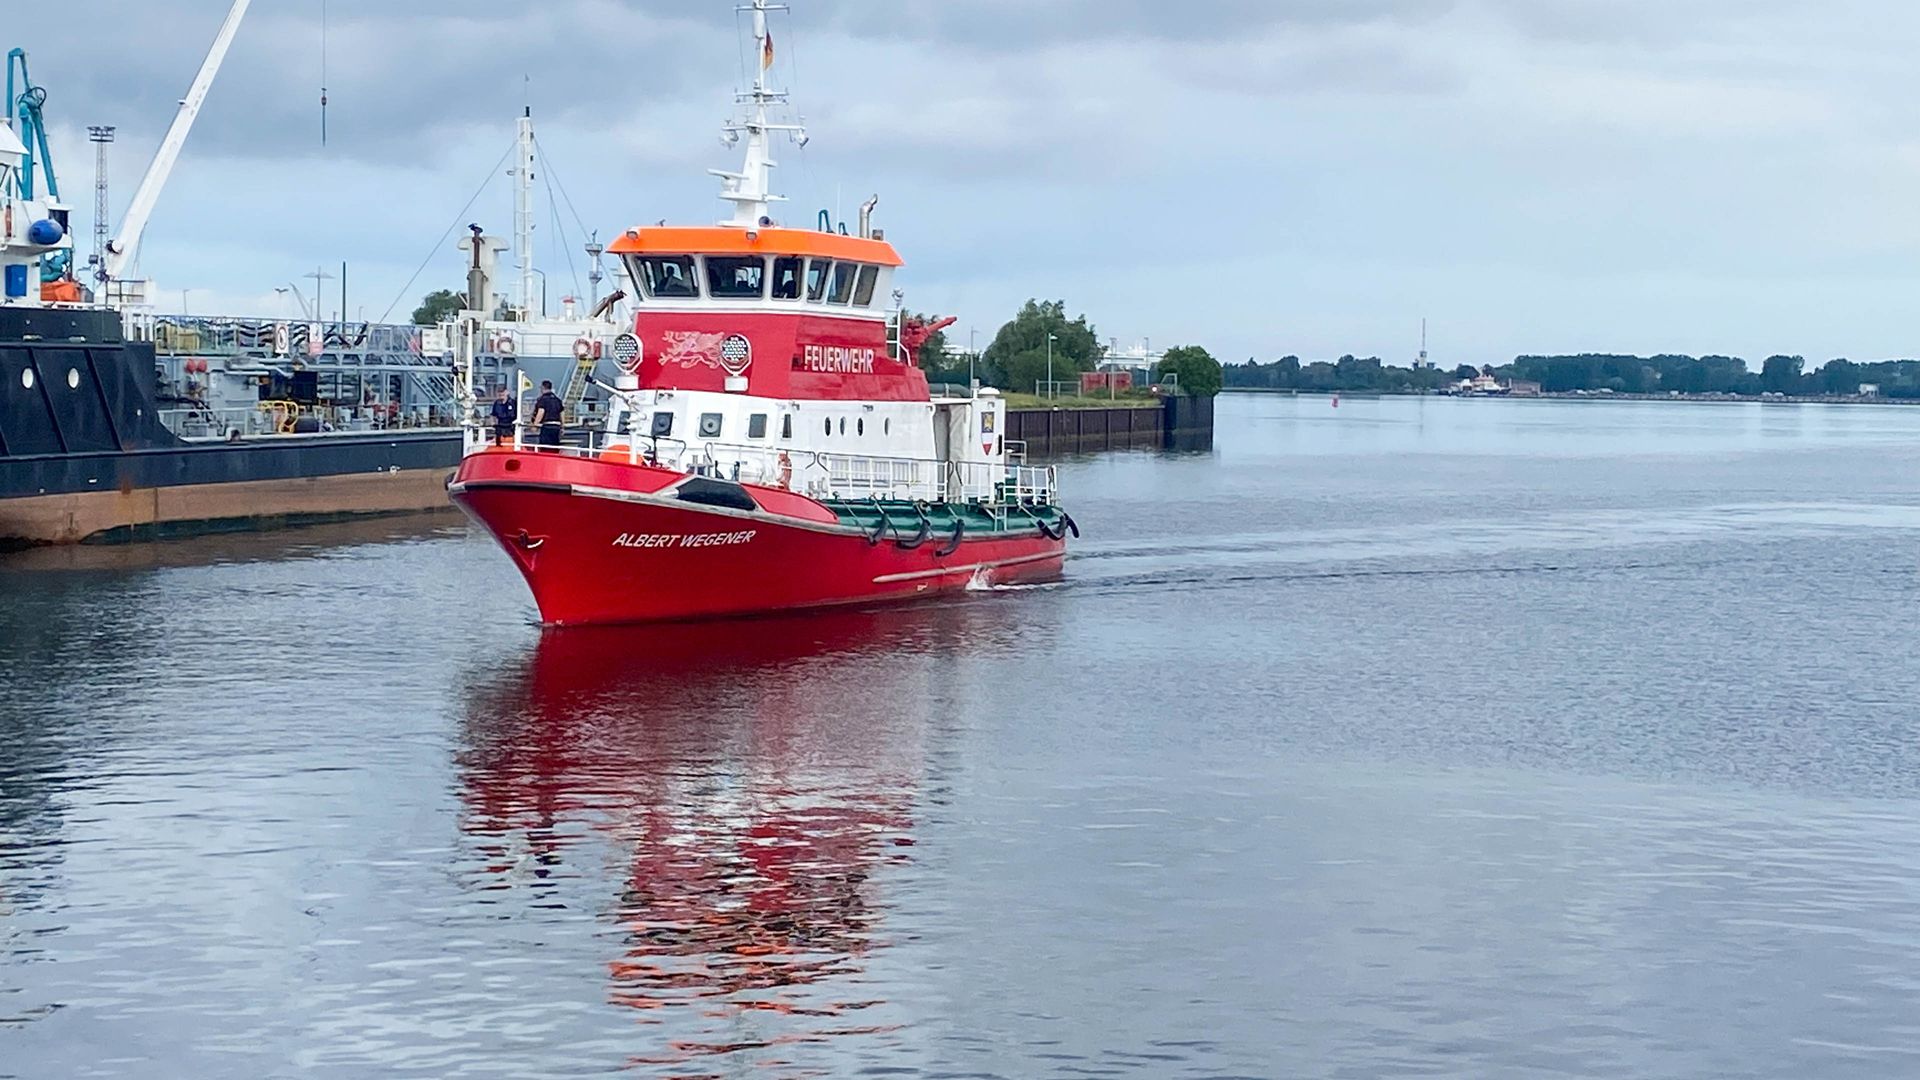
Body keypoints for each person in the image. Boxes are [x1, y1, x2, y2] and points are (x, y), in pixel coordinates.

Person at [532, 380, 565, 448]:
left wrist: (535, 425)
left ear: (543, 388)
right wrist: (563, 427)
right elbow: (562, 413)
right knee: (555, 447)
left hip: (547, 426)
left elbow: (541, 412)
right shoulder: (557, 400)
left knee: (545, 447)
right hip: (557, 426)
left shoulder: (543, 399)